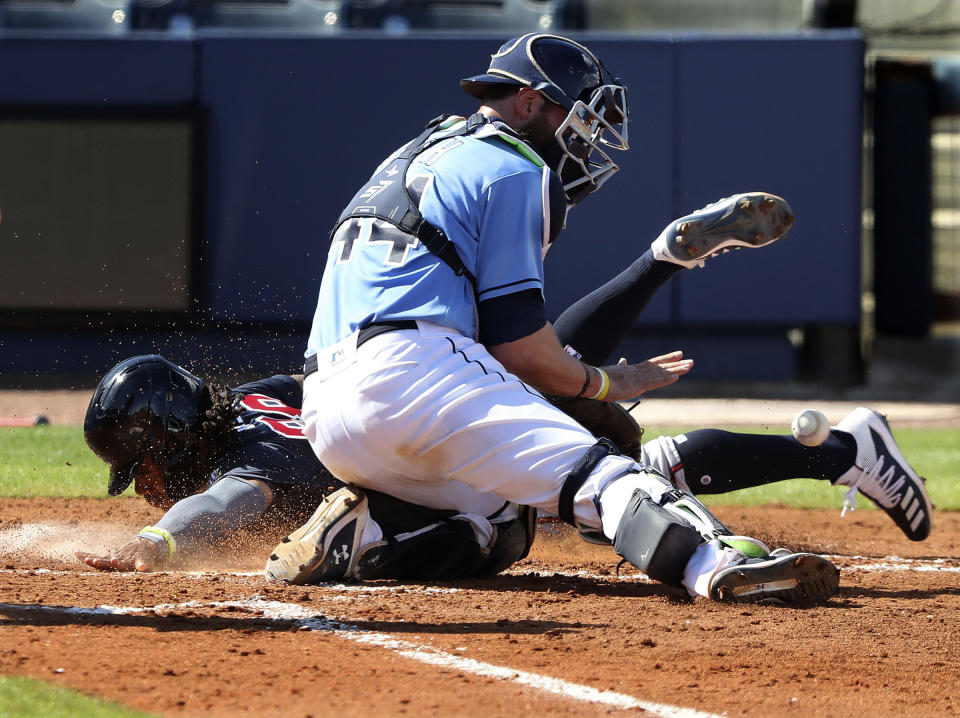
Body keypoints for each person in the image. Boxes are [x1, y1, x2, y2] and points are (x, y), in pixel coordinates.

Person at [271, 32, 863, 605]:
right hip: (414, 372)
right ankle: (718, 560)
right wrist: (606, 382)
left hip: (329, 411)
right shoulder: (511, 165)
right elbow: (520, 348)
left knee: (500, 517)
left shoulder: (417, 152)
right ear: (527, 102)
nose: (583, 146)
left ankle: (367, 533)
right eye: (577, 122)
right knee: (601, 474)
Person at [75, 354, 535, 575]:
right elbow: (310, 379)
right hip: (470, 462)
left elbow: (224, 501)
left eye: (142, 468)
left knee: (306, 566)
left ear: (173, 437)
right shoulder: (250, 398)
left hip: (484, 506)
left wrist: (155, 540)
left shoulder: (252, 453)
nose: (141, 489)